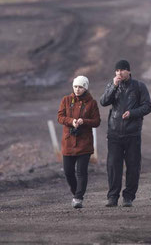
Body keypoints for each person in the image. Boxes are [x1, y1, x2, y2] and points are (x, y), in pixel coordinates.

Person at [100, 59, 151, 207]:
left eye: (122, 70)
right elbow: (103, 101)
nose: (119, 73)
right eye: (117, 71)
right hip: (114, 133)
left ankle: (128, 197)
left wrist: (132, 113)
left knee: (133, 166)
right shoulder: (112, 85)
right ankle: (112, 197)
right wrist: (114, 87)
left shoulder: (139, 87)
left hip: (132, 133)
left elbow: (147, 107)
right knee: (113, 166)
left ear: (128, 71)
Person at [57, 75, 101, 209]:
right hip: (68, 142)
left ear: (85, 88)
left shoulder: (92, 103)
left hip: (84, 143)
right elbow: (60, 117)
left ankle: (78, 198)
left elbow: (97, 122)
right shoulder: (66, 100)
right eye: (75, 86)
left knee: (81, 172)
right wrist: (72, 121)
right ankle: (76, 193)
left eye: (80, 87)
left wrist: (84, 122)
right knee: (68, 172)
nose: (77, 89)